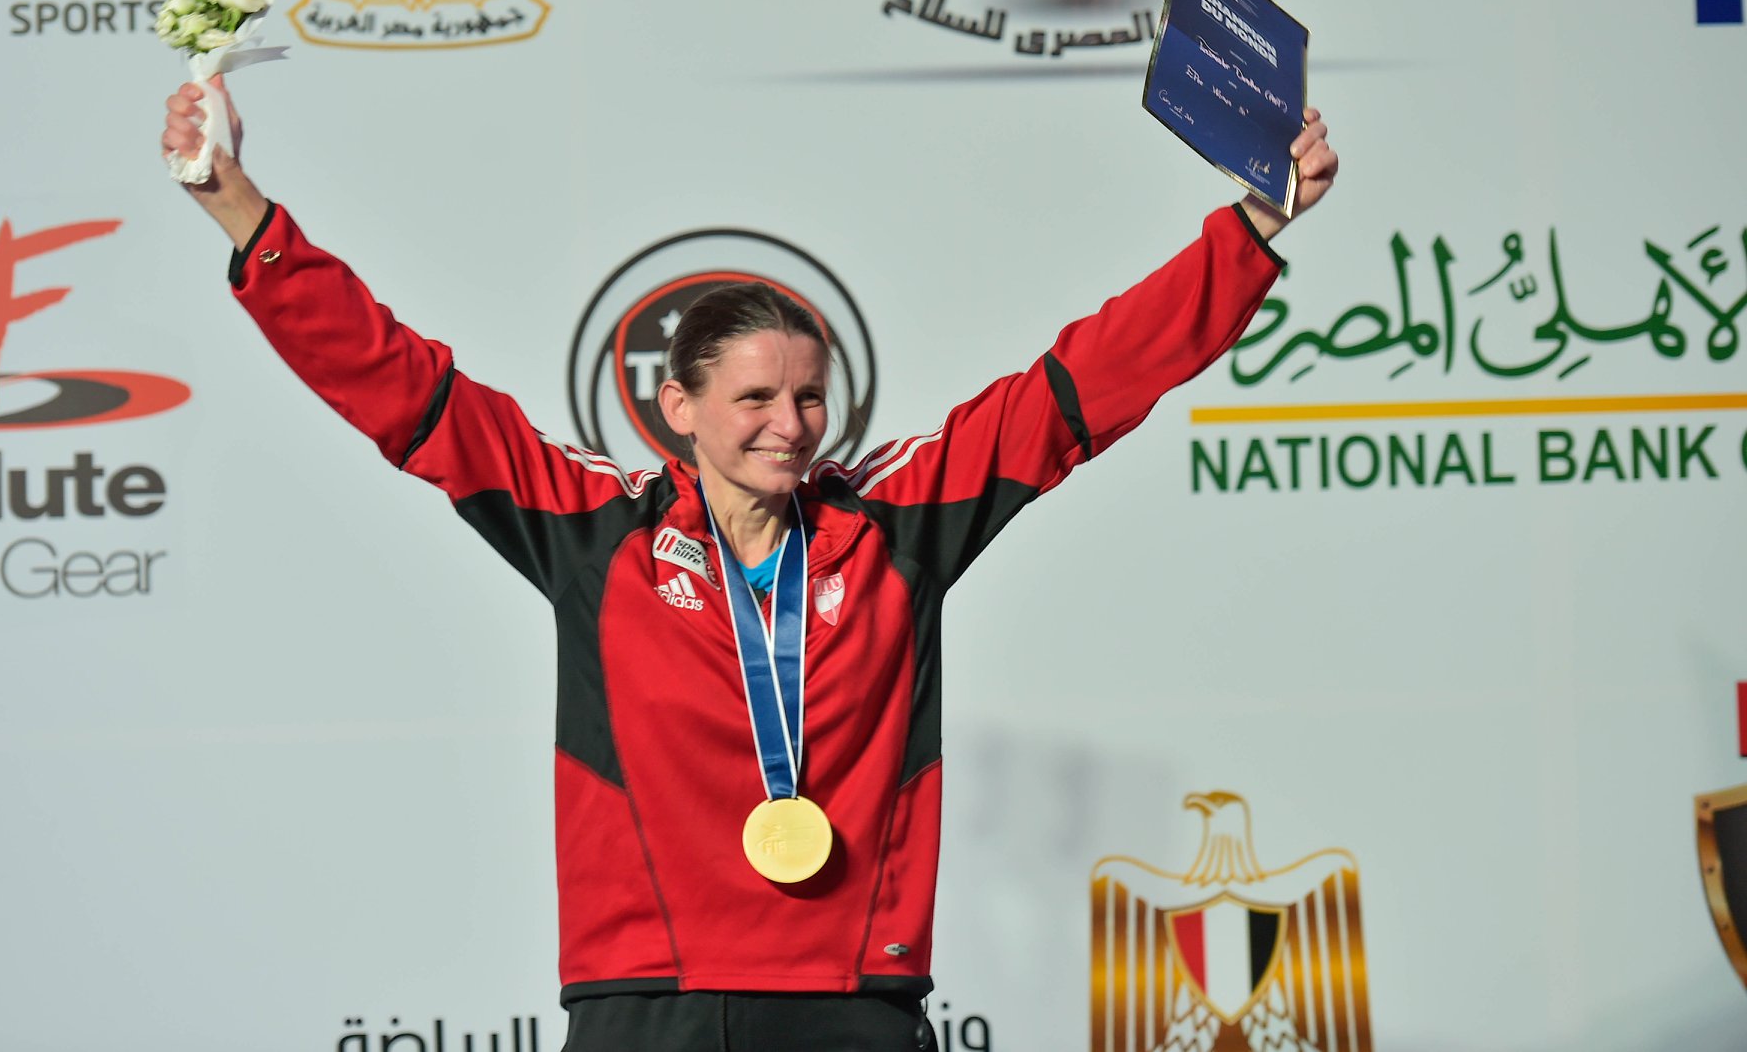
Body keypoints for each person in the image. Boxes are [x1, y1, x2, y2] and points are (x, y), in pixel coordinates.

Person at [161, 77, 1337, 1052]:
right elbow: (407, 391)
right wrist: (244, 214)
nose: (790, 422)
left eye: (811, 395)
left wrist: (1248, 234)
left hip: (852, 1005)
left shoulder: (897, 525)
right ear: (677, 406)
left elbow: (1079, 388)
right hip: (646, 1002)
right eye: (757, 397)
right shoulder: (596, 526)